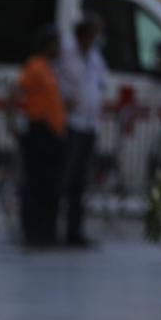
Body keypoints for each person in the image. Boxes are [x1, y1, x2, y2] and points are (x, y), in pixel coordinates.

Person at [9, 26, 67, 248]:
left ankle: (47, 231)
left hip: (52, 133)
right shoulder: (35, 67)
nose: (60, 48)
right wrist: (12, 122)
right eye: (56, 43)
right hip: (38, 131)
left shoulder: (50, 69)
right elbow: (15, 91)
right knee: (35, 184)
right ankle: (33, 231)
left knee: (51, 185)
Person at [58, 15, 107, 247]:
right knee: (65, 179)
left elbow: (99, 84)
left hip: (89, 124)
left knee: (80, 183)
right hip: (72, 124)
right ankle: (55, 228)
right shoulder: (66, 54)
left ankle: (74, 232)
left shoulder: (95, 57)